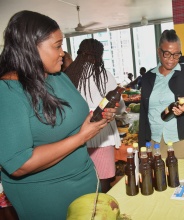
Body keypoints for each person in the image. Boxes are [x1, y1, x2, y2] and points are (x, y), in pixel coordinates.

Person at [0, 11, 117, 220]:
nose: (63, 52)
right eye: (57, 46)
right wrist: (81, 137)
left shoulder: (58, 77)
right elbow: (19, 164)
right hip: (47, 195)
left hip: (84, 181)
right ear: (30, 47)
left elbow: (71, 119)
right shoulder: (8, 93)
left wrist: (95, 119)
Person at [65, 38, 126, 193]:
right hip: (102, 133)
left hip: (76, 134)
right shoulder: (104, 75)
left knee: (83, 180)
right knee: (102, 179)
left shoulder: (67, 75)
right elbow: (120, 108)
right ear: (99, 56)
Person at [138, 29, 184, 159]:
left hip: (180, 139)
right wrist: (142, 146)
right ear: (158, 52)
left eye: (176, 54)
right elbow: (144, 113)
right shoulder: (147, 78)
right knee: (157, 178)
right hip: (154, 140)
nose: (171, 59)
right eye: (167, 54)